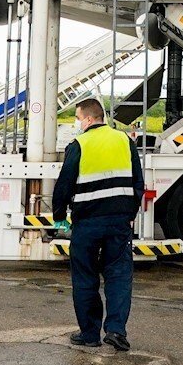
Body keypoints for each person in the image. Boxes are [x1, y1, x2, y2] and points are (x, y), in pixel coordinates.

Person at [51, 95, 145, 351]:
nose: (77, 123)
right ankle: (116, 330)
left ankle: (89, 334)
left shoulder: (79, 144)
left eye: (78, 118)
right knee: (119, 275)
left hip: (87, 222)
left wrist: (58, 217)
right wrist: (130, 212)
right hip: (119, 221)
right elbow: (138, 182)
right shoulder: (124, 141)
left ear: (89, 119)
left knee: (85, 277)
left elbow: (64, 184)